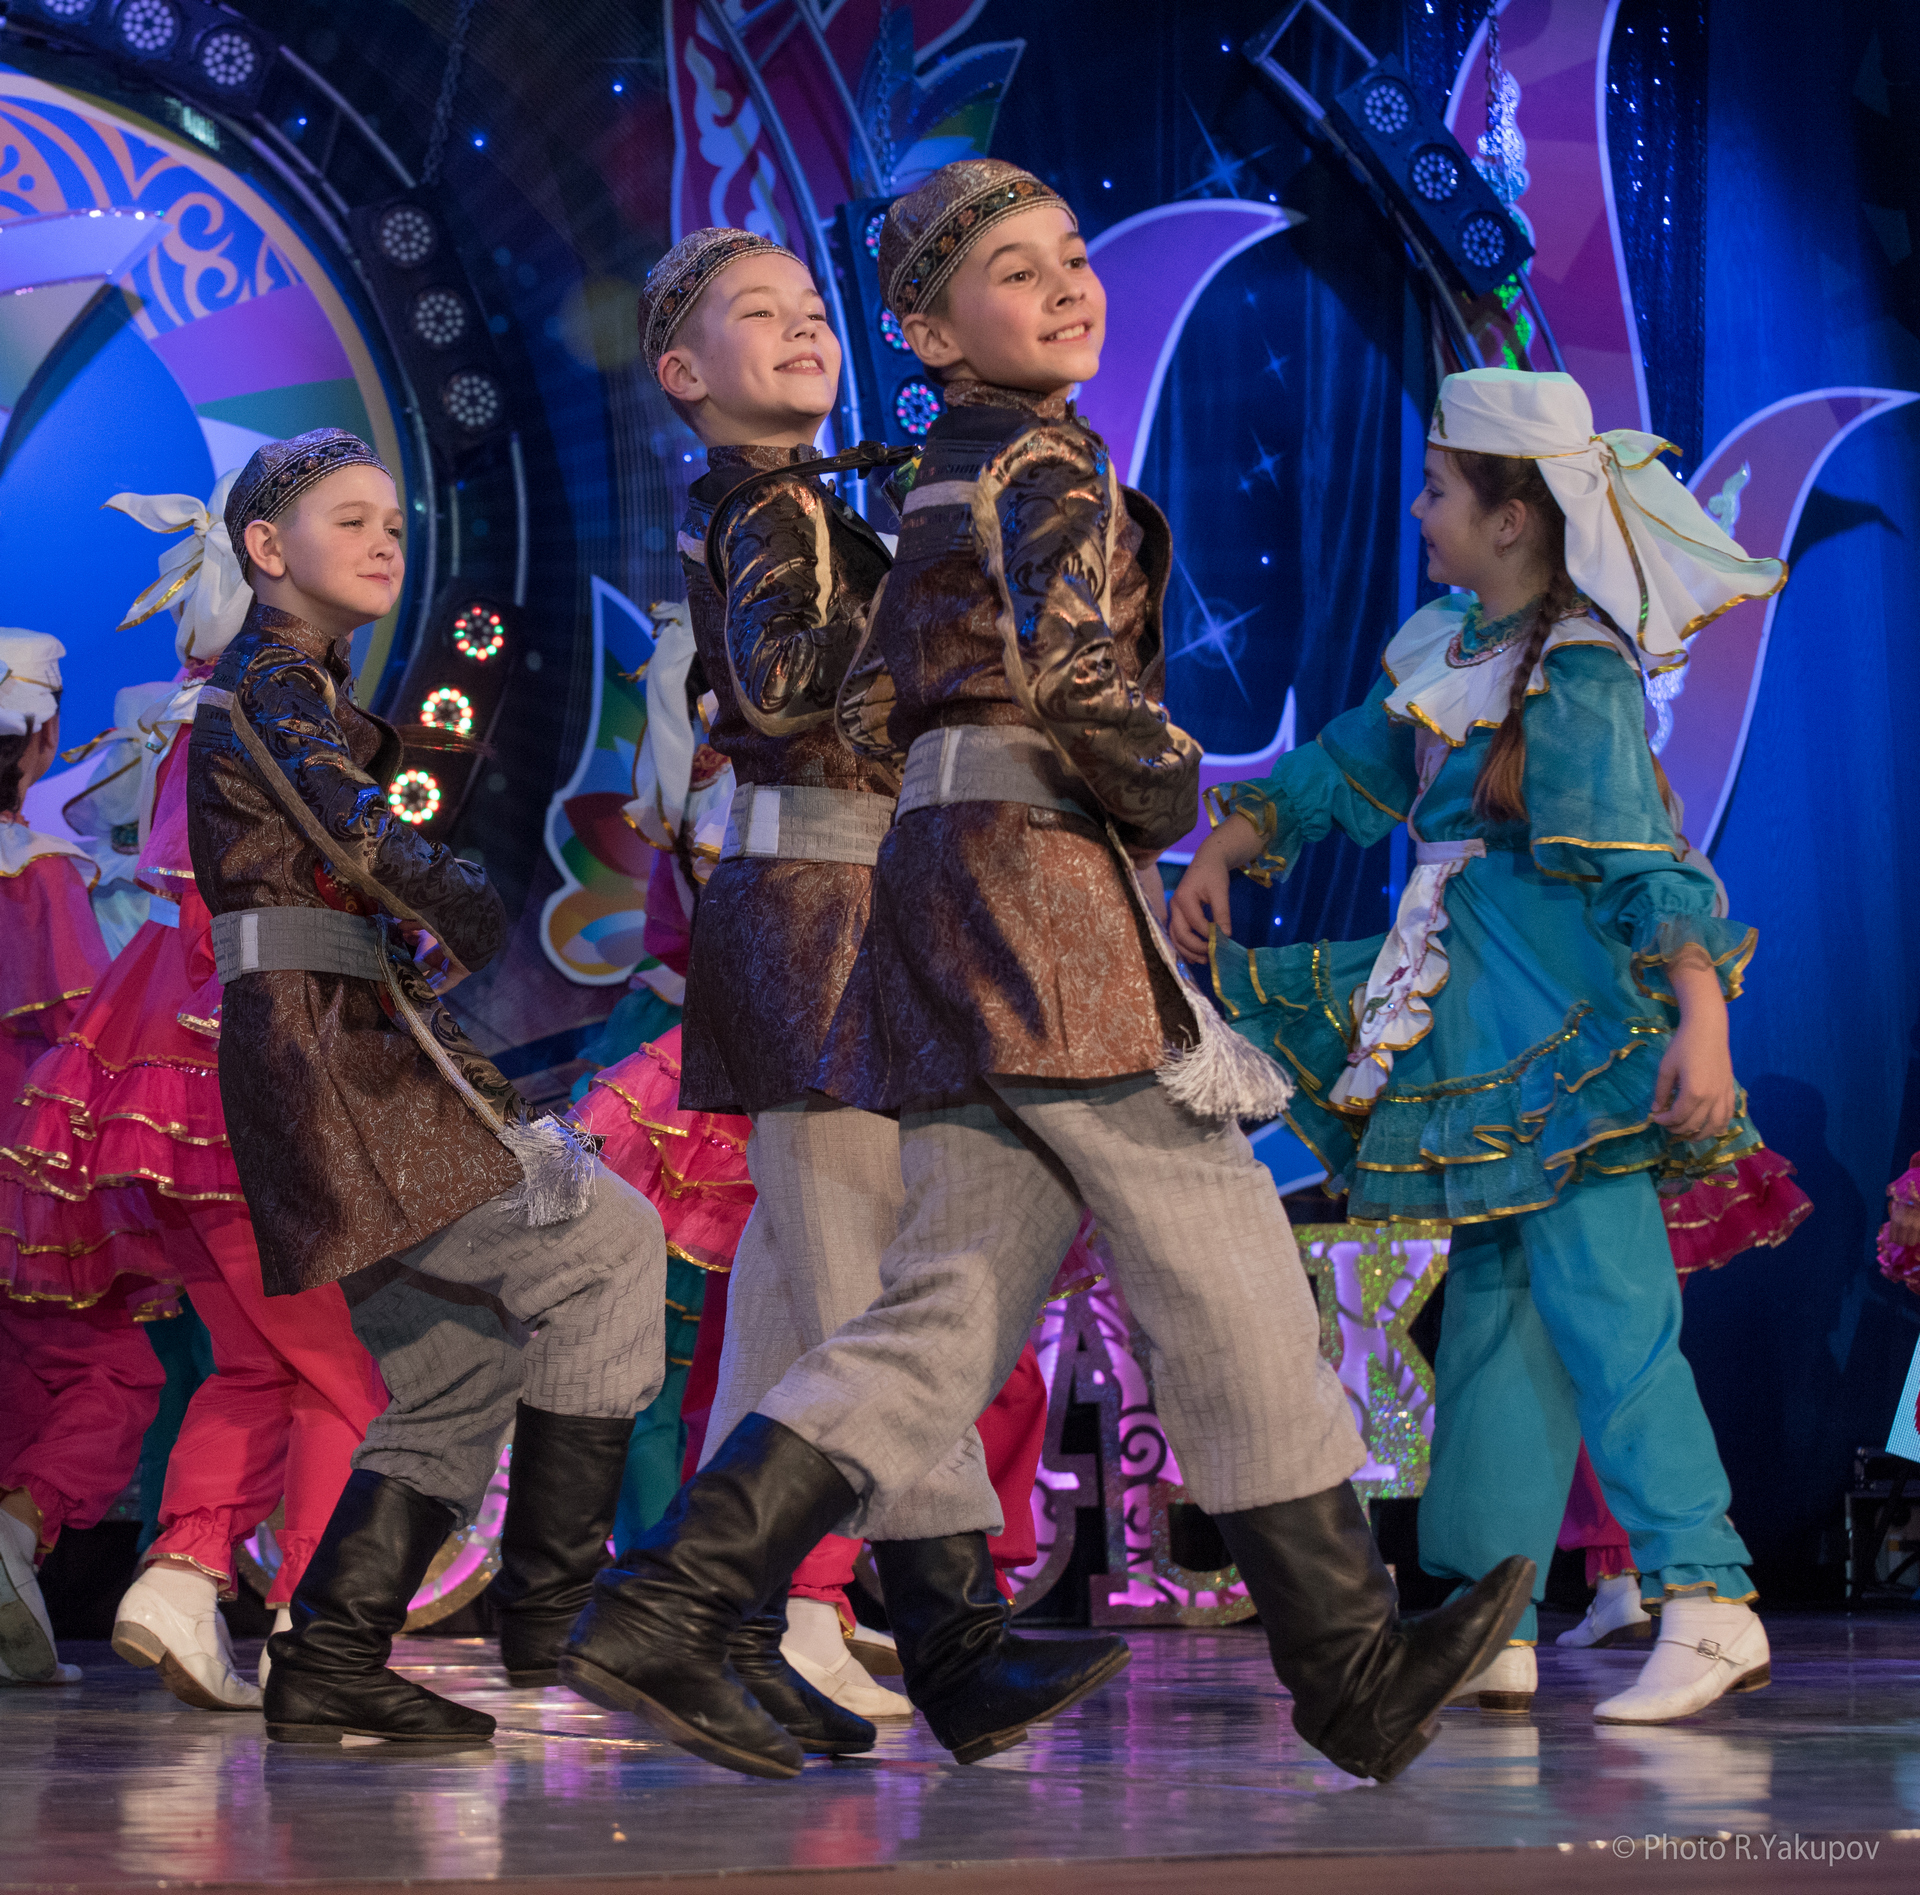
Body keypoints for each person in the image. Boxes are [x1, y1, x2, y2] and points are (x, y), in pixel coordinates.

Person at [562, 163, 1532, 1786]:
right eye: (1018, 270)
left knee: (935, 1301)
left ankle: (691, 1597)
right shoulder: (1001, 465)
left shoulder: (931, 470)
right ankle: (1342, 1660)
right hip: (998, 889)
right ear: (934, 330)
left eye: (1074, 254)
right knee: (1206, 1243)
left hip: (934, 886)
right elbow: (1039, 679)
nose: (1070, 284)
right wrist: (1164, 787)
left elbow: (903, 686)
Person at [1173, 366, 1784, 1724]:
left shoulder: (1577, 671)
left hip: (1556, 1023)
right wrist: (1236, 837)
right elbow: (1348, 763)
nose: (1419, 510)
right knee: (1499, 1313)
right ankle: (1487, 1610)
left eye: (1439, 489)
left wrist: (1703, 1014)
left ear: (1512, 517)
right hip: (1469, 1008)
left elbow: (1641, 860)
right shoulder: (1452, 644)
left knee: (1611, 1311)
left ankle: (1706, 1593)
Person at [183, 428, 668, 1745]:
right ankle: (553, 1610)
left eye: (394, 522)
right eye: (349, 520)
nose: (384, 540)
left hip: (345, 1046)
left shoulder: (302, 686)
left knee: (455, 1365)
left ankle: (331, 1656)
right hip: (336, 1063)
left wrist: (420, 928)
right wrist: (464, 901)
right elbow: (361, 835)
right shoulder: (267, 686)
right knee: (611, 1240)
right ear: (266, 548)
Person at [0, 632, 165, 1687]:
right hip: (27, 1163)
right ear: (45, 738)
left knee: (21, 1384)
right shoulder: (43, 873)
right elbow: (80, 1033)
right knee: (113, 1371)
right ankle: (15, 1532)